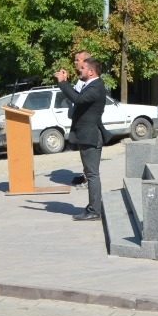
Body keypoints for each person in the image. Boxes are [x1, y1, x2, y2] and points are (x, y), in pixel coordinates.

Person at [54, 51, 108, 222]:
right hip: (86, 135)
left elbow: (78, 99)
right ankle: (93, 208)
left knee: (92, 174)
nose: (80, 69)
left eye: (83, 67)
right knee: (91, 173)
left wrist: (63, 83)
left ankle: (94, 210)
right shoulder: (91, 85)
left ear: (91, 71)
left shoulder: (96, 87)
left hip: (91, 136)